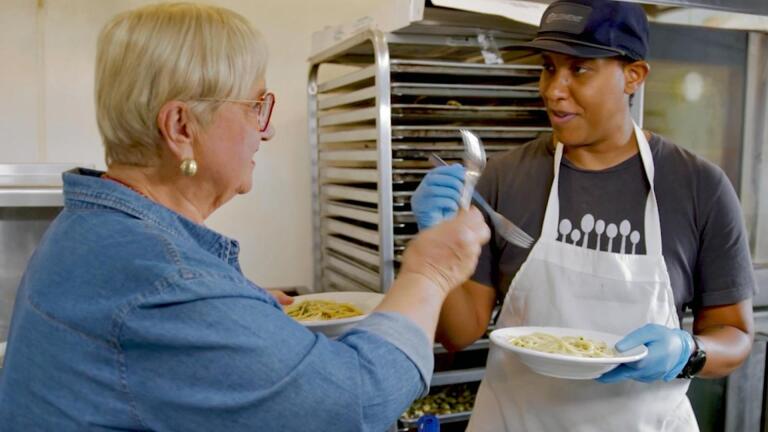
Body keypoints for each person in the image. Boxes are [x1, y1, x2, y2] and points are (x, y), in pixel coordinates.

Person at [0, 3, 490, 431]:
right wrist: (430, 272)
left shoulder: (98, 231)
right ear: (181, 126)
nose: (269, 129)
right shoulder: (164, 280)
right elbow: (352, 405)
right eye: (256, 105)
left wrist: (237, 311)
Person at [411, 1, 755, 430]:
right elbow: (458, 334)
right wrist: (436, 241)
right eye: (549, 67)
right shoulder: (505, 176)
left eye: (579, 69)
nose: (554, 89)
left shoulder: (699, 186)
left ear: (634, 76)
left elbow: (735, 337)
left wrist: (688, 351)